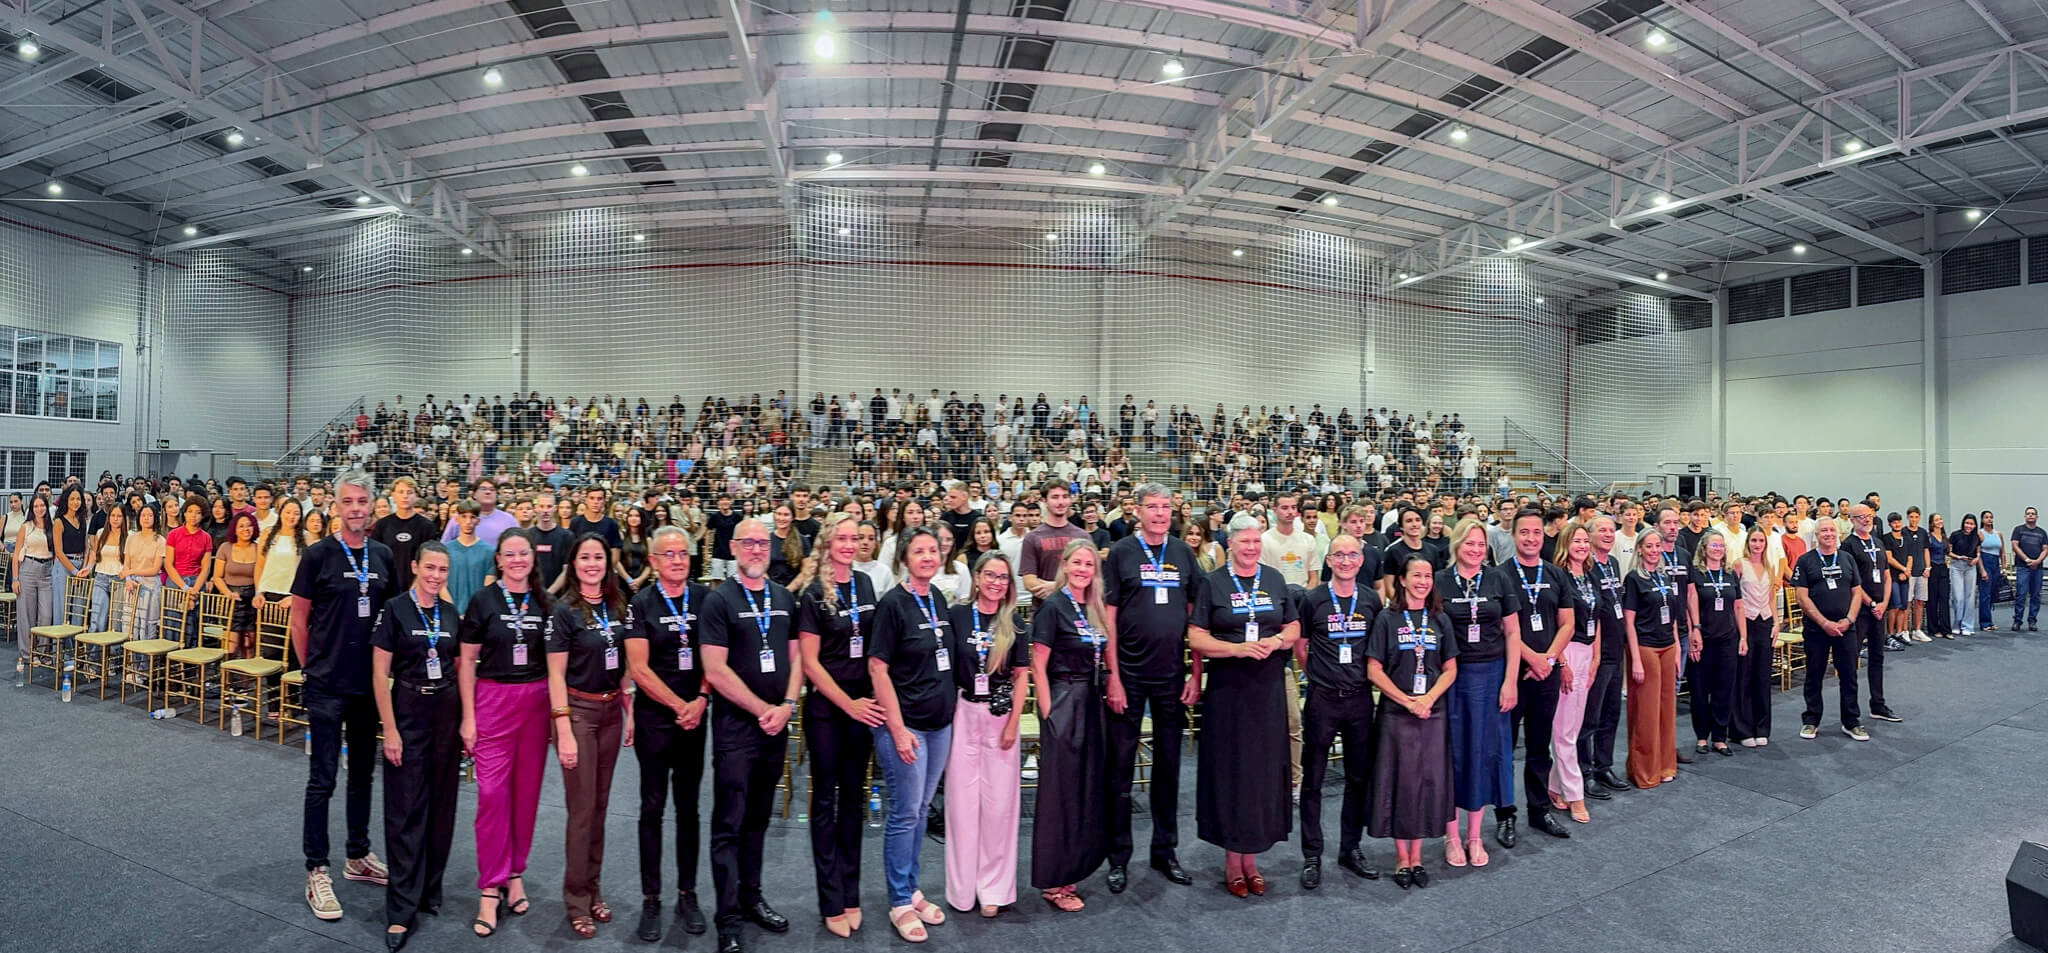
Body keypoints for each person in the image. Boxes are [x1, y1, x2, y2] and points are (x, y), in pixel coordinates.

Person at [292, 469, 396, 921]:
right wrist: (311, 670)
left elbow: (390, 620)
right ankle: (317, 869)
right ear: (335, 507)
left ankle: (357, 855)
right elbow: (299, 621)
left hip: (366, 687)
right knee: (324, 779)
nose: (355, 508)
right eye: (347, 501)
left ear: (370, 506)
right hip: (326, 686)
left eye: (362, 502)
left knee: (362, 777)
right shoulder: (318, 556)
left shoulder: (384, 556)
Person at [701, 517, 801, 953]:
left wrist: (788, 706)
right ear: (735, 547)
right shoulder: (718, 600)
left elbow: (797, 658)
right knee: (729, 822)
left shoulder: (783, 598)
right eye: (748, 543)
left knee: (759, 819)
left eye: (763, 543)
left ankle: (751, 896)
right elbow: (714, 669)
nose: (757, 549)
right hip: (736, 727)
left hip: (775, 725)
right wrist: (763, 709)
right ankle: (727, 917)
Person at [1188, 515, 1298, 898]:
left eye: (1255, 541)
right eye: (1244, 541)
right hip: (1228, 693)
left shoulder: (1274, 579)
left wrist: (1280, 641)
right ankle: (1232, 861)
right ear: (1230, 543)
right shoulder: (1212, 583)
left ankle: (1252, 858)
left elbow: (1293, 626)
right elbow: (1197, 637)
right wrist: (1235, 648)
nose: (1251, 547)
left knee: (1262, 774)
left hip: (1266, 690)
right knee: (1232, 773)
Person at [1099, 484, 1199, 892]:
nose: (1159, 514)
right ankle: (1118, 856)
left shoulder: (1182, 553)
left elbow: (1196, 620)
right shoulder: (1122, 553)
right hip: (1130, 676)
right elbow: (1108, 619)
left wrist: (1195, 673)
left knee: (1169, 767)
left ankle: (1165, 851)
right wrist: (1113, 677)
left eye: (1165, 507)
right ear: (1137, 511)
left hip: (1172, 676)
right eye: (1152, 507)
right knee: (1120, 769)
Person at [456, 529, 549, 937]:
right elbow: (466, 661)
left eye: (523, 553)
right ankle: (490, 887)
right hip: (492, 703)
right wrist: (468, 717)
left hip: (536, 703)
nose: (517, 560)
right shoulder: (483, 600)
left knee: (524, 797)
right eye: (509, 554)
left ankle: (515, 872)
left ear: (532, 557)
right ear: (498, 559)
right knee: (493, 796)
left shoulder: (546, 602)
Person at [369, 542, 460, 951]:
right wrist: (389, 728)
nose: (436, 576)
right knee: (406, 810)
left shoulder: (451, 614)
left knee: (441, 808)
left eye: (442, 569)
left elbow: (458, 667)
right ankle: (401, 910)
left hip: (445, 714)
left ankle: (428, 891)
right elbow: (378, 674)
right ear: (415, 567)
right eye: (430, 568)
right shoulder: (395, 609)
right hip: (406, 711)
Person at [623, 526, 712, 942]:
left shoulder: (705, 599)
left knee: (690, 808)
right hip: (658, 720)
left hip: (696, 715)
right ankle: (651, 897)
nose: (678, 559)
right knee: (652, 807)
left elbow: (717, 657)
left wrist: (701, 699)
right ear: (654, 561)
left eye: (684, 553)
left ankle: (687, 893)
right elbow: (639, 669)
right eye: (669, 554)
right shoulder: (640, 604)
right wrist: (679, 706)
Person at [868, 527, 957, 942]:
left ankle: (912, 886)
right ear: (904, 557)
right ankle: (899, 900)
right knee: (904, 814)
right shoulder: (893, 604)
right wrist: (897, 728)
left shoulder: (936, 598)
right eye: (918, 551)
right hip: (906, 727)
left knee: (922, 810)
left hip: (940, 726)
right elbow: (877, 669)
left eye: (933, 550)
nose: (927, 556)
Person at [795, 514, 881, 938]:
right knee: (825, 803)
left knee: (854, 801)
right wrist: (847, 703)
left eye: (856, 538)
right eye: (842, 538)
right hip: (829, 710)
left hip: (862, 708)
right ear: (827, 543)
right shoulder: (813, 594)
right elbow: (810, 663)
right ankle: (830, 897)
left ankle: (851, 892)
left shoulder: (864, 585)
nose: (850, 544)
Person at [547, 533, 636, 939]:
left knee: (599, 808)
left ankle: (593, 887)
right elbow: (555, 675)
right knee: (582, 811)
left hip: (611, 711)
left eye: (598, 557)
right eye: (584, 557)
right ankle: (576, 899)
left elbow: (629, 666)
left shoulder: (619, 605)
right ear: (573, 563)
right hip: (578, 713)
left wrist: (629, 710)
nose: (592, 564)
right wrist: (562, 727)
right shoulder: (563, 611)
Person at [1028, 539, 1114, 912]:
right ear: (1064, 565)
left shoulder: (1091, 607)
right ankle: (1053, 881)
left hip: (1091, 704)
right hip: (1064, 701)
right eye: (1076, 563)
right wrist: (1049, 715)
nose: (1082, 569)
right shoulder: (1053, 607)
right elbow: (1037, 665)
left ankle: (1072, 871)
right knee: (1060, 795)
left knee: (1084, 789)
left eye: (1088, 564)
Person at [1365, 552, 1458, 889]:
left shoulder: (1440, 620)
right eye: (1415, 575)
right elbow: (1373, 669)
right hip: (1396, 713)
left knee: (1426, 783)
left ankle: (1417, 856)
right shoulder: (1387, 620)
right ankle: (1401, 858)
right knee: (1399, 783)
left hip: (1432, 713)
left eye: (1428, 576)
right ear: (1401, 580)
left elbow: (1450, 668)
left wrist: (1428, 699)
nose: (1422, 582)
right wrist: (1407, 700)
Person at [1295, 532, 1383, 888]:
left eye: (1352, 555)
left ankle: (1350, 848)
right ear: (1328, 560)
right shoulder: (1312, 599)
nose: (1346, 561)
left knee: (1357, 778)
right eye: (1338, 555)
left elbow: (1378, 646)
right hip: (1323, 698)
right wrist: (1319, 674)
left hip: (1360, 698)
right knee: (1313, 780)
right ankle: (1312, 854)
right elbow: (1301, 647)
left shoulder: (1371, 599)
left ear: (1361, 560)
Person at [944, 552, 1028, 917]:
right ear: (977, 578)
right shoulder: (957, 616)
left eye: (1003, 578)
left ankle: (993, 888)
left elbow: (1022, 675)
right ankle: (962, 890)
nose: (996, 582)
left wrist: (1014, 723)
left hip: (1000, 717)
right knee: (961, 807)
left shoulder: (1016, 623)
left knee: (999, 808)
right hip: (964, 712)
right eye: (990, 575)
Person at [1435, 516, 1520, 863]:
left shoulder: (1498, 578)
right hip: (1453, 678)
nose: (1475, 549)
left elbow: (1513, 633)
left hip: (1492, 676)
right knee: (1454, 755)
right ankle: (1451, 835)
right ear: (1456, 545)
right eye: (1469, 543)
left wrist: (1510, 680)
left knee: (1485, 755)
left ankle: (1475, 835)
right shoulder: (1440, 581)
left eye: (1481, 544)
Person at [1500, 507, 1575, 843]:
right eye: (1523, 533)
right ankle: (1505, 814)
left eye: (1535, 532)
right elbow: (1502, 629)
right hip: (1513, 676)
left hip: (1546, 674)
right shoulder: (1500, 575)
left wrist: (1548, 659)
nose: (1530, 538)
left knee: (1539, 746)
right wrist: (1533, 660)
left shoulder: (1556, 575)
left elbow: (1568, 623)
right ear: (1514, 536)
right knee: (1504, 747)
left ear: (1544, 534)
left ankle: (1538, 809)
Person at [1793, 519, 1868, 741]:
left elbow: (1857, 592)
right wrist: (1824, 623)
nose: (1829, 534)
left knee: (1849, 675)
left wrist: (1849, 619)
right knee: (1814, 675)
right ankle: (1811, 720)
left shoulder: (1847, 558)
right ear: (1816, 535)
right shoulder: (1805, 561)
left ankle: (1851, 722)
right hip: (1817, 629)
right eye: (1824, 530)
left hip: (1846, 628)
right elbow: (1801, 597)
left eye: (1832, 530)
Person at [1549, 521, 1600, 823]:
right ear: (1565, 544)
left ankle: (1553, 786)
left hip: (1587, 651)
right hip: (1567, 652)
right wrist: (1562, 663)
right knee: (1565, 732)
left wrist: (1594, 658)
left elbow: (1600, 618)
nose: (1581, 545)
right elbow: (1558, 624)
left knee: (1572, 728)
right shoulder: (1559, 578)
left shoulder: (1590, 576)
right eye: (1576, 541)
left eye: (1585, 541)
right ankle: (1575, 794)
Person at [1623, 529, 1681, 786]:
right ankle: (1645, 770)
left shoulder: (1664, 576)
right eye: (1649, 546)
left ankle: (1666, 765)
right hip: (1645, 648)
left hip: (1668, 646)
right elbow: (1629, 621)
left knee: (1667, 711)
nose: (1655, 550)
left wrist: (1677, 647)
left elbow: (1674, 616)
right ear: (1639, 549)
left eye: (1658, 546)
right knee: (1647, 713)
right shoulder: (1634, 579)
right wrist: (1635, 658)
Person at [1684, 532, 1742, 757]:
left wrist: (1743, 637)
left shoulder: (1730, 574)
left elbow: (1738, 606)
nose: (1718, 549)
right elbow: (1688, 607)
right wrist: (1692, 634)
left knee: (1724, 690)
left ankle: (1719, 737)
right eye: (1713, 545)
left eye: (1721, 545)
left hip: (1727, 639)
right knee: (1699, 691)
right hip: (1703, 639)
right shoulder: (1695, 574)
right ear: (1704, 548)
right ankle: (1701, 737)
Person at [1845, 505, 1900, 724]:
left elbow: (1886, 575)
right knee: (1852, 658)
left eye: (1869, 516)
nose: (1866, 520)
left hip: (1879, 609)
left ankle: (1878, 704)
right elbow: (1852, 581)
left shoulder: (1877, 542)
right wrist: (1871, 602)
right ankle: (1850, 710)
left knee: (1878, 657)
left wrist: (1884, 603)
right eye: (1860, 517)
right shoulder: (1848, 545)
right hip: (1860, 609)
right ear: (1852, 520)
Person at [1732, 530, 1778, 747]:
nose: (1757, 544)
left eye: (1761, 541)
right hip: (1745, 624)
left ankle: (1762, 727)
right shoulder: (1739, 564)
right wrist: (1741, 633)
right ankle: (1742, 729)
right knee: (1744, 677)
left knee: (1762, 677)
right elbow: (1736, 601)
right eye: (1754, 540)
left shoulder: (1770, 566)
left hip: (1765, 623)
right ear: (1747, 542)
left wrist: (1777, 623)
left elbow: (1770, 598)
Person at [11, 495, 55, 683]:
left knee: (46, 614)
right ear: (32, 508)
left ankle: (43, 652)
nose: (39, 509)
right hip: (27, 569)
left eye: (42, 505)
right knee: (27, 615)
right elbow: (15, 555)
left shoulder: (52, 527)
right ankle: (28, 654)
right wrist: (15, 578)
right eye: (36, 506)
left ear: (46, 507)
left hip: (47, 571)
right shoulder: (25, 527)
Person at [371, 477, 439, 594]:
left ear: (416, 496)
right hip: (387, 589)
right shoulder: (382, 525)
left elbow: (430, 561)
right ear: (393, 495)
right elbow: (375, 560)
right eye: (401, 492)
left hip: (418, 589)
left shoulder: (427, 526)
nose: (405, 496)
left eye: (409, 492)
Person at [120, 504, 165, 644]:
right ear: (139, 518)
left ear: (155, 518)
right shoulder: (131, 537)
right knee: (130, 623)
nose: (146, 518)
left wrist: (131, 571)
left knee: (148, 626)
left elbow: (155, 569)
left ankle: (145, 663)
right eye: (143, 515)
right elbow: (126, 564)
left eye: (150, 515)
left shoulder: (160, 540)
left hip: (151, 585)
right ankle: (129, 662)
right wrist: (128, 578)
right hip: (132, 585)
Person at [443, 501, 495, 611]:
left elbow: (488, 589)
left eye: (472, 517)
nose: (468, 522)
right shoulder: (445, 551)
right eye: (464, 516)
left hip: (478, 614)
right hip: (450, 613)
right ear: (457, 519)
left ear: (478, 521)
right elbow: (442, 585)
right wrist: (452, 612)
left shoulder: (489, 552)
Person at [87, 504, 129, 634]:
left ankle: (114, 652)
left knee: (116, 621)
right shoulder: (101, 533)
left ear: (123, 518)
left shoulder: (129, 536)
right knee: (97, 618)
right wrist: (88, 567)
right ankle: (93, 653)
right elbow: (94, 553)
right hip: (101, 577)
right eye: (113, 515)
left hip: (119, 579)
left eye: (119, 516)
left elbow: (130, 560)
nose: (115, 519)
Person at [1947, 514, 1981, 637]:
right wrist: (1959, 557)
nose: (1969, 526)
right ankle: (1957, 623)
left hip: (1970, 567)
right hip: (1957, 565)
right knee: (1958, 597)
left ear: (1975, 525)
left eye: (1971, 524)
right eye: (1967, 523)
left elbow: (1978, 553)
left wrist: (1976, 559)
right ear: (1963, 523)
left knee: (1970, 597)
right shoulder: (1955, 535)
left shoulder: (1976, 537)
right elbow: (1948, 552)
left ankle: (1967, 625)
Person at [2013, 507, 2045, 632]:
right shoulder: (2018, 530)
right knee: (2021, 594)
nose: (2030, 516)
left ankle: (2032, 621)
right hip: (2022, 567)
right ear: (2025, 516)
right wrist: (2027, 560)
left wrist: (2037, 561)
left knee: (2035, 595)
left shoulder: (2042, 532)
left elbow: (2045, 549)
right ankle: (2017, 620)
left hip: (2038, 568)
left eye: (2033, 514)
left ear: (2037, 517)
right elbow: (2015, 546)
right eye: (2028, 514)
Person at [1926, 514, 1953, 639]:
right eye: (1937, 520)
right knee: (1933, 599)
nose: (1939, 521)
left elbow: (1948, 552)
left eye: (1941, 519)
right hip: (1932, 567)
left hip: (1943, 568)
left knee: (1944, 598)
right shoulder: (1929, 537)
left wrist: (1959, 557)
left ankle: (1946, 629)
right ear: (1932, 523)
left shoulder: (1944, 536)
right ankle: (1933, 628)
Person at [1980, 510, 2005, 632]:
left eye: (1991, 517)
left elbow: (2002, 552)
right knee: (1985, 593)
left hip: (1995, 563)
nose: (1989, 519)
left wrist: (2003, 567)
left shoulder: (1998, 534)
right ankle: (1984, 622)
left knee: (1992, 592)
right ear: (1982, 520)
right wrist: (1982, 570)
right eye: (1986, 517)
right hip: (1985, 561)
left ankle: (1989, 621)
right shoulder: (1980, 533)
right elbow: (1977, 552)